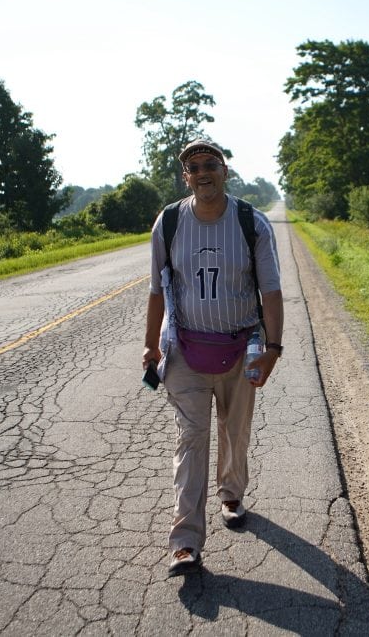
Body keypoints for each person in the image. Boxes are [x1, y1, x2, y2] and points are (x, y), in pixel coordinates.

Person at [143, 139, 284, 577]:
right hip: (185, 349)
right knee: (190, 439)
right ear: (186, 176)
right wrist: (151, 345)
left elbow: (273, 292)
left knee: (235, 430)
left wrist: (273, 349)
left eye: (210, 164)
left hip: (242, 347)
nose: (202, 172)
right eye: (193, 167)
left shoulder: (251, 224)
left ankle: (232, 494)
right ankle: (185, 541)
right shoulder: (168, 223)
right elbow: (156, 291)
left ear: (225, 171)